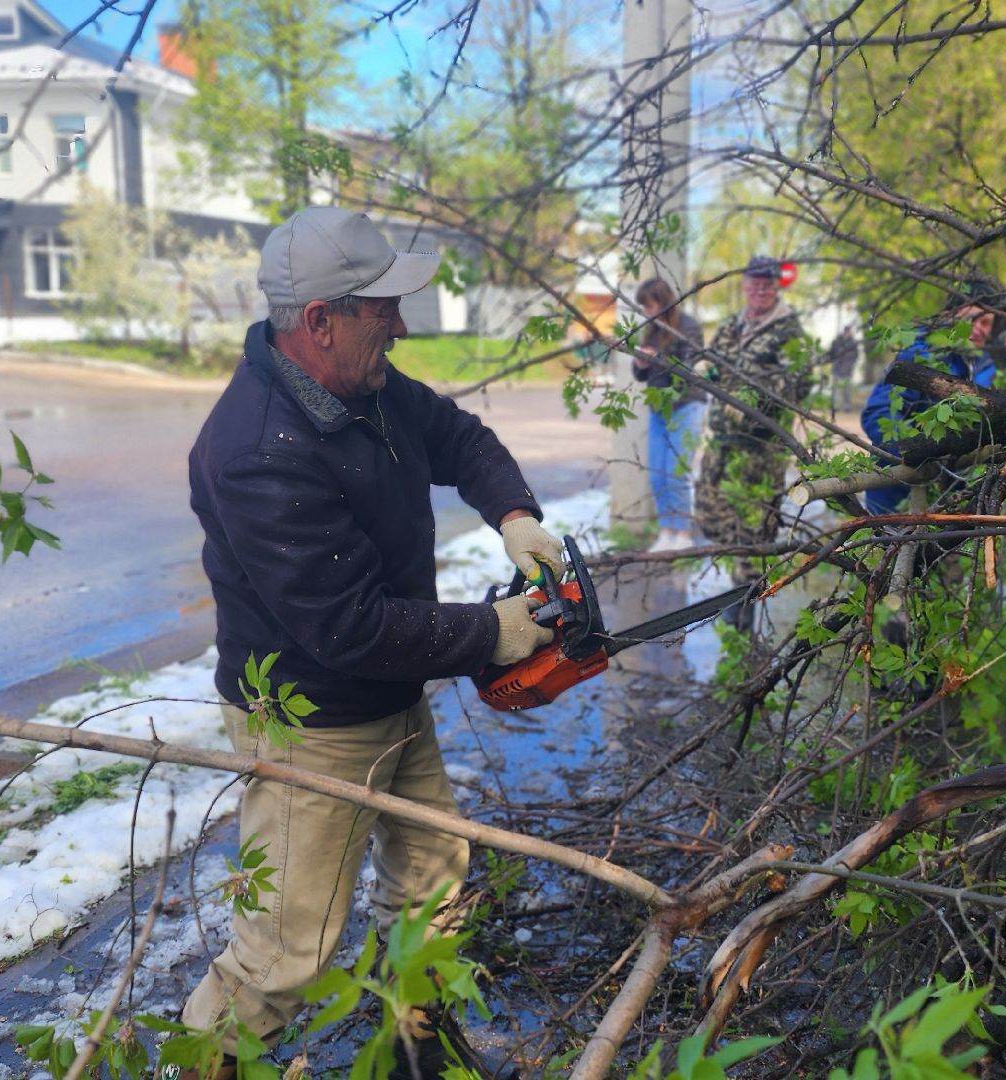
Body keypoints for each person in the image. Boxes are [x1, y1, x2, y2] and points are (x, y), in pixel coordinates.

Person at [177, 207, 565, 1080]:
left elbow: (459, 436)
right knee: (287, 955)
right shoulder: (255, 450)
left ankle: (408, 1049)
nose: (398, 322)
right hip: (313, 721)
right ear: (319, 321)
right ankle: (186, 1069)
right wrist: (490, 635)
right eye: (380, 306)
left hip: (387, 693)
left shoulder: (368, 387)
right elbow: (345, 624)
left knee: (432, 877)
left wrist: (513, 516)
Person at [859, 292, 1006, 514]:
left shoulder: (987, 362)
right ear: (949, 316)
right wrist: (910, 449)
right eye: (970, 320)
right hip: (896, 488)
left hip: (950, 491)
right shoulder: (920, 351)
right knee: (890, 548)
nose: (977, 329)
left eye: (986, 322)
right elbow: (878, 412)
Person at [695, 255, 808, 620]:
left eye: (766, 284)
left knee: (753, 530)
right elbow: (713, 357)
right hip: (722, 443)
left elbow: (801, 382)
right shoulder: (732, 324)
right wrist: (704, 365)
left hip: (761, 450)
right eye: (753, 284)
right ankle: (736, 587)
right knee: (711, 517)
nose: (759, 290)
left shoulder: (790, 331)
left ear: (777, 286)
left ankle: (744, 611)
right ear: (744, 285)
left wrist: (752, 399)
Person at [631, 277, 706, 552]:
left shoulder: (689, 327)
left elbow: (689, 368)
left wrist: (655, 358)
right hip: (658, 409)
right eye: (644, 307)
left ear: (663, 300)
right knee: (657, 474)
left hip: (686, 406)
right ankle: (667, 531)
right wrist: (640, 362)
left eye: (649, 305)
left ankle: (683, 534)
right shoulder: (651, 331)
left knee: (677, 474)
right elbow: (642, 374)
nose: (647, 311)